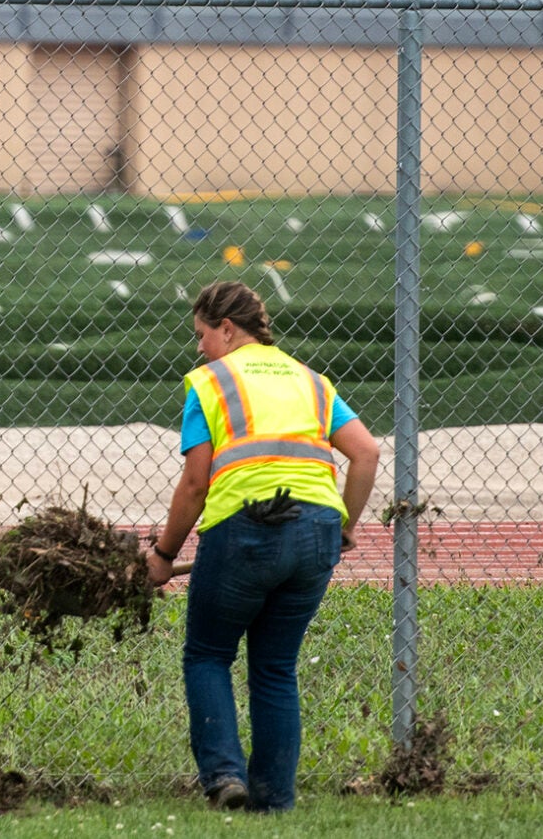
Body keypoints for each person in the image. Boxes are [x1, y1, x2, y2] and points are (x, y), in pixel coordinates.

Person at [142, 280, 381, 814]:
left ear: (226, 330)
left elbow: (196, 485)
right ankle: (274, 801)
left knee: (207, 655)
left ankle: (225, 776)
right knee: (275, 667)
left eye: (201, 334)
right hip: (316, 531)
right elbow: (365, 453)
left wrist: (161, 556)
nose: (198, 346)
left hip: (244, 530)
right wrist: (343, 527)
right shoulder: (311, 381)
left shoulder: (210, 381)